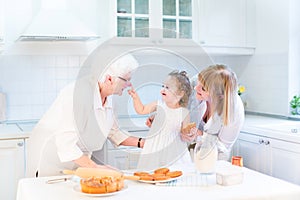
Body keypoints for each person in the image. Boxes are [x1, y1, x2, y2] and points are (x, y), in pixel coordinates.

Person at [26, 54, 145, 177]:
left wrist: (143, 143)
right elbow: (66, 144)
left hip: (81, 162)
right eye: (126, 80)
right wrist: (97, 168)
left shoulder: (110, 100)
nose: (129, 85)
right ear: (109, 79)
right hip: (53, 162)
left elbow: (113, 132)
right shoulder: (76, 94)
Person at [128, 70, 193, 170]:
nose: (163, 89)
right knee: (152, 173)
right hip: (155, 146)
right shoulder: (158, 105)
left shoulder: (184, 113)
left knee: (173, 173)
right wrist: (135, 98)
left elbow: (185, 134)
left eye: (167, 87)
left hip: (173, 150)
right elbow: (141, 110)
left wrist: (188, 133)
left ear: (180, 94)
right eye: (163, 86)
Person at [181, 64, 245, 160]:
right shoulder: (200, 82)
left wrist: (199, 135)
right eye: (198, 83)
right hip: (187, 154)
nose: (196, 88)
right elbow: (176, 100)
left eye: (203, 89)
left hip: (212, 160)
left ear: (219, 96)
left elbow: (222, 150)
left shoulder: (233, 110)